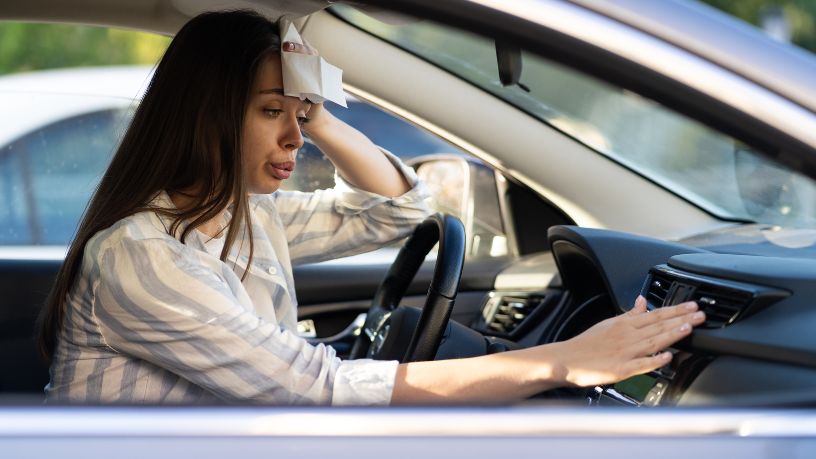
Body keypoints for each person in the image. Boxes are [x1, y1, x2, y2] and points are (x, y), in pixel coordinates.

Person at [38, 10, 705, 405]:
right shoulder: (143, 256)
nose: (295, 138)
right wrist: (561, 361)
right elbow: (315, 388)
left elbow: (394, 210)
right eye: (271, 112)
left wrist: (315, 110)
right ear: (206, 115)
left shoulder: (243, 216)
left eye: (300, 115)